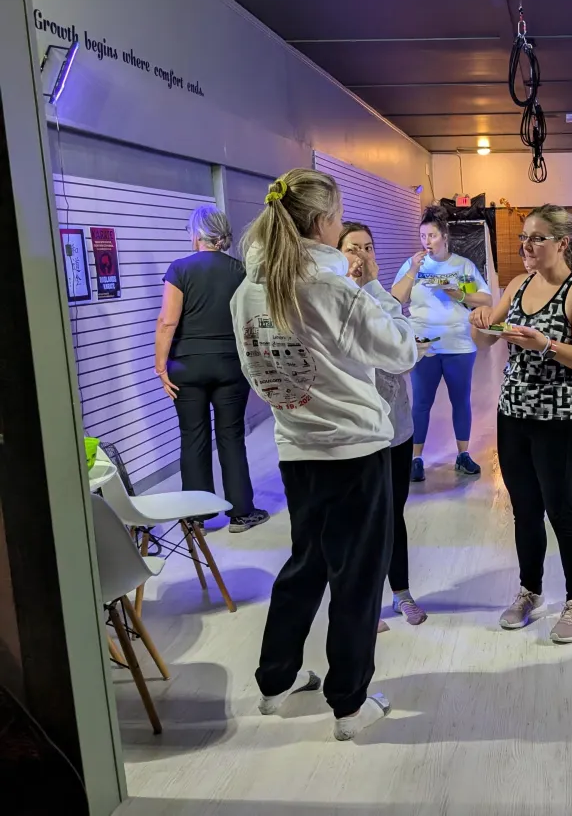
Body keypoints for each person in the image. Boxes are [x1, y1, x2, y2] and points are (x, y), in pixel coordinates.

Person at [231, 168, 418, 741]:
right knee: (358, 576)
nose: (343, 231)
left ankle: (275, 680)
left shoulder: (249, 291)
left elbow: (255, 371)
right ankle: (348, 704)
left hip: (295, 447)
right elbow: (402, 351)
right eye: (339, 220)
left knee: (306, 562)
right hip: (356, 450)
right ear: (321, 223)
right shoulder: (336, 288)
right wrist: (373, 291)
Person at [469, 205, 572, 644]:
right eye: (523, 238)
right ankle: (530, 591)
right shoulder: (517, 283)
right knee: (524, 510)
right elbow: (488, 340)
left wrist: (546, 343)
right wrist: (480, 321)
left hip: (561, 418)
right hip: (514, 414)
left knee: (562, 511)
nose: (526, 246)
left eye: (536, 238)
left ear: (562, 244)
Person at [154, 205, 267, 532]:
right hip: (231, 366)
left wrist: (161, 365)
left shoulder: (179, 270)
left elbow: (167, 321)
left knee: (193, 437)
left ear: (197, 234)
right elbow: (251, 321)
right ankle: (241, 514)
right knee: (231, 436)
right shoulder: (241, 270)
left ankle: (197, 518)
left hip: (186, 367)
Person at [337, 222, 427, 629]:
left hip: (394, 426)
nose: (361, 257)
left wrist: (373, 286)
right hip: (354, 431)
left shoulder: (382, 299)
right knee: (358, 517)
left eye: (368, 249)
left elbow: (401, 358)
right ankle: (363, 600)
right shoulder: (331, 300)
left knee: (393, 512)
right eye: (353, 249)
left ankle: (401, 592)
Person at [391, 208, 491, 481]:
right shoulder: (414, 265)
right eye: (423, 236)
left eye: (432, 235)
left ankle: (463, 455)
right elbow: (395, 298)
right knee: (421, 402)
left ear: (444, 236)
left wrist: (459, 293)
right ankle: (416, 458)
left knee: (461, 401)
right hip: (423, 344)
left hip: (458, 344)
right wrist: (412, 269)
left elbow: (484, 300)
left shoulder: (462, 266)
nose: (427, 241)